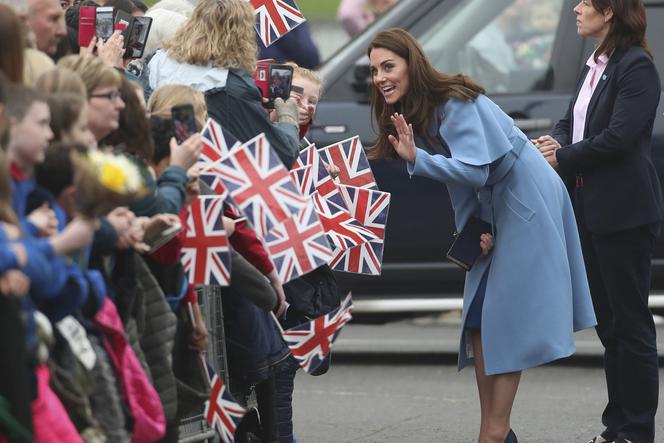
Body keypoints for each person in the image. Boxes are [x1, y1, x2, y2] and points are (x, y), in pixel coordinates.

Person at [367, 28, 597, 443]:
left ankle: (494, 433)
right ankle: (493, 431)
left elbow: (476, 171)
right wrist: (472, 231)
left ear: (411, 65)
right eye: (374, 70)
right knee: (477, 317)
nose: (381, 77)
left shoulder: (453, 101)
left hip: (526, 200)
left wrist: (419, 160)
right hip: (496, 207)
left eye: (389, 66)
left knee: (504, 319)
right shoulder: (419, 111)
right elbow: (464, 183)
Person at [533, 1, 662, 442]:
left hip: (624, 212)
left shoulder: (636, 66)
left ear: (611, 11)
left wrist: (563, 155)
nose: (577, 8)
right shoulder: (595, 64)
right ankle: (617, 426)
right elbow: (575, 122)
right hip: (590, 208)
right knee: (609, 326)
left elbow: (620, 137)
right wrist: (557, 139)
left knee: (630, 323)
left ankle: (637, 429)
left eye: (586, 2)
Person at [144, 0, 301, 169]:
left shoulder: (156, 61)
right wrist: (288, 118)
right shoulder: (232, 86)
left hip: (156, 169)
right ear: (242, 35)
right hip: (204, 182)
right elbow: (280, 154)